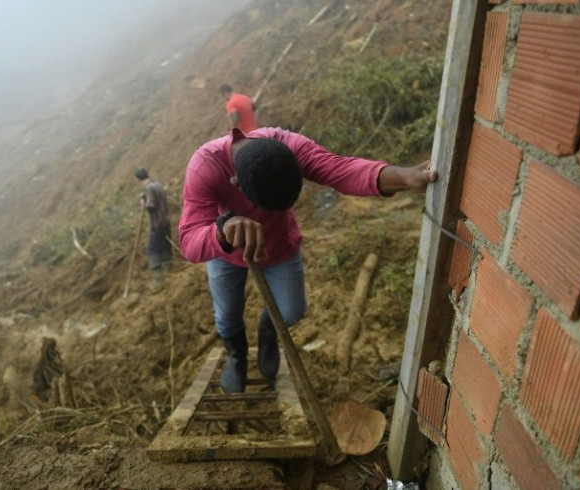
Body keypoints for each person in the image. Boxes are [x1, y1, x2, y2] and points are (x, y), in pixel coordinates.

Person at [178, 127, 437, 393]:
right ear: (236, 183)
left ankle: (268, 333)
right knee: (227, 313)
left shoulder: (287, 146)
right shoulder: (205, 167)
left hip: (278, 247)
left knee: (291, 311)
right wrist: (222, 230)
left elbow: (341, 169)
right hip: (226, 254)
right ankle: (237, 357)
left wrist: (404, 177)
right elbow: (188, 241)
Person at [135, 168, 172, 290]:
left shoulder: (149, 187)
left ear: (138, 179)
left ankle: (158, 279)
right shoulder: (157, 184)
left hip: (157, 223)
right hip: (166, 221)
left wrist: (142, 203)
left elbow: (151, 205)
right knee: (165, 245)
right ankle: (169, 268)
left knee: (152, 249)